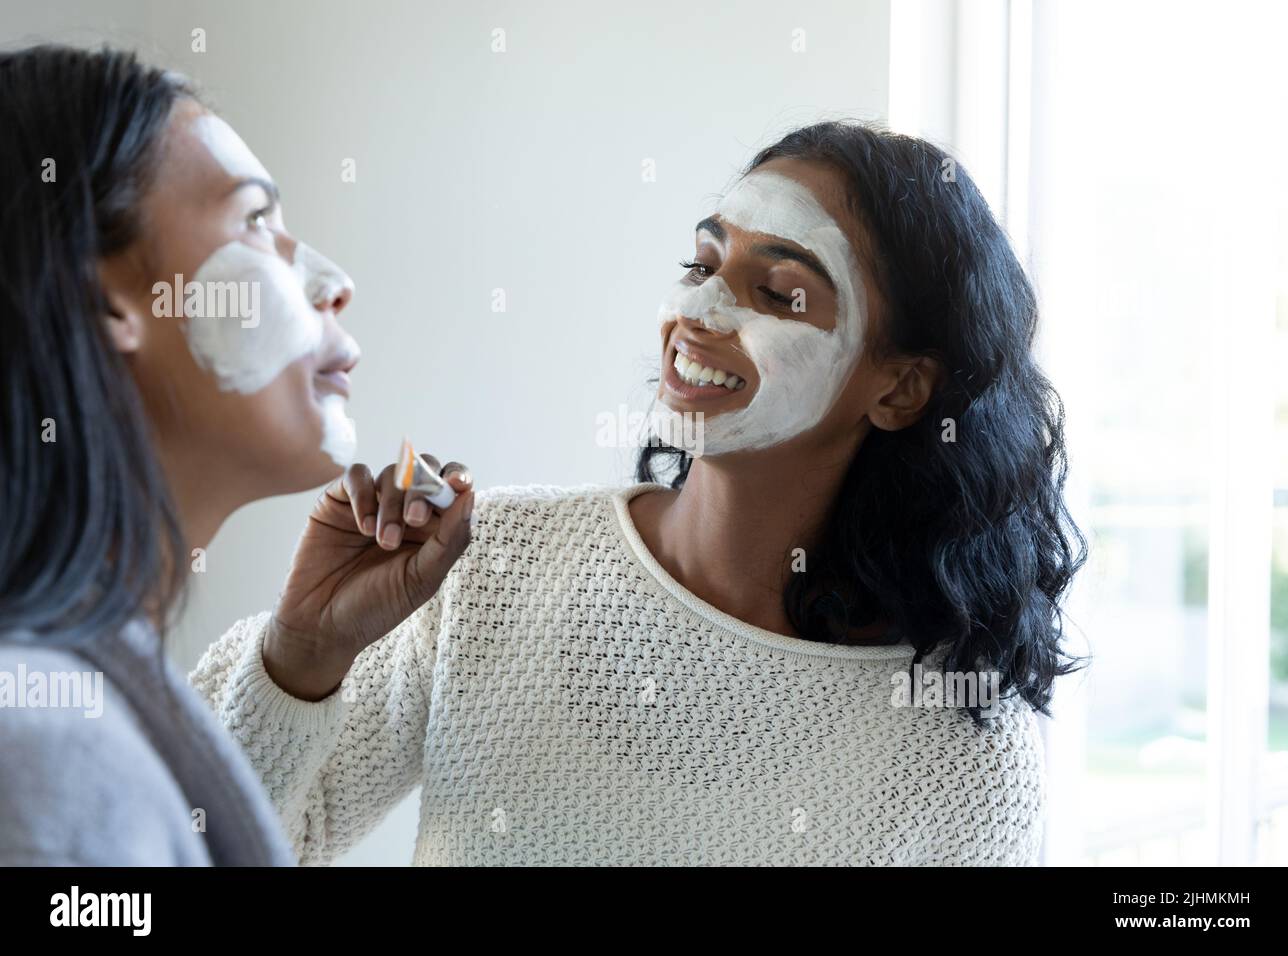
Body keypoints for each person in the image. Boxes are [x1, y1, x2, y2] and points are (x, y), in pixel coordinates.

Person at [193, 121, 1086, 866]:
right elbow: (184, 845)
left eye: (777, 292)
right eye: (703, 264)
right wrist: (302, 654)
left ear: (897, 390)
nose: (697, 313)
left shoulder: (965, 755)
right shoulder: (488, 565)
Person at [0, 45, 472, 865]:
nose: (335, 281)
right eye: (256, 220)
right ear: (110, 298)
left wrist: (306, 656)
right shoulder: (38, 754)